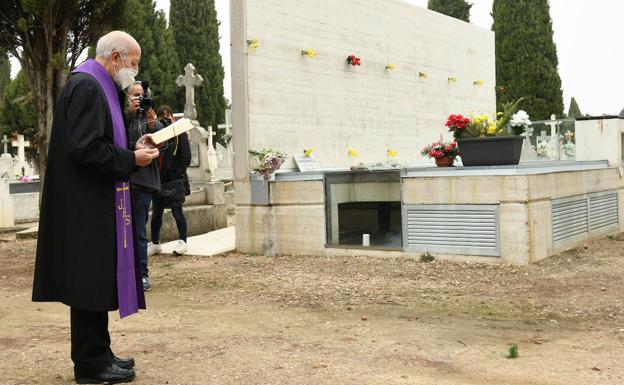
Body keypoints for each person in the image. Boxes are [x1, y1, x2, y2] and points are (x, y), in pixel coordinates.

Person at [32, 31, 159, 384]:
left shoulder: (98, 84)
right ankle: (89, 364)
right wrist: (131, 159)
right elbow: (85, 149)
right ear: (116, 57)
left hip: (92, 200)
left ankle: (100, 352)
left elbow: (100, 141)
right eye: (133, 64)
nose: (134, 72)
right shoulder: (88, 86)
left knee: (98, 278)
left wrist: (133, 147)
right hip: (84, 204)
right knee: (88, 282)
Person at [126, 81, 163, 291]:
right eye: (136, 95)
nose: (140, 99)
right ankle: (123, 272)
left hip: (143, 183)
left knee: (139, 230)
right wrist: (129, 113)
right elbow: (117, 140)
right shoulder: (123, 117)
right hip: (124, 179)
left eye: (143, 95)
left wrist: (153, 125)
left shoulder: (150, 119)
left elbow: (162, 144)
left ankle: (142, 275)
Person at [148, 106, 192, 257]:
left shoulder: (180, 134)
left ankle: (183, 241)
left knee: (177, 211)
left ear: (173, 117)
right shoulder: (158, 135)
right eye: (162, 118)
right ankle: (155, 243)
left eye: (167, 117)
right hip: (159, 180)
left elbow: (186, 157)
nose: (165, 120)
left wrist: (176, 173)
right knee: (156, 213)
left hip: (174, 180)